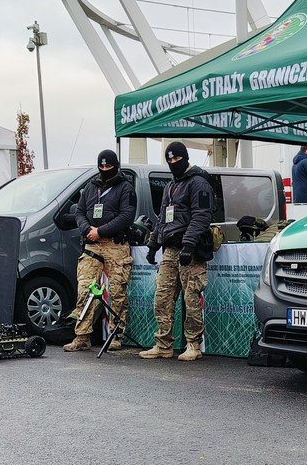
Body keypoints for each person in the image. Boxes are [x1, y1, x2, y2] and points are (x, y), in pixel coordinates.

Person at [139, 141, 213, 362]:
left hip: (191, 250)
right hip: (170, 250)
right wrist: (153, 245)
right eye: (169, 159)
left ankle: (193, 345)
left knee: (191, 298)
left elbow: (201, 216)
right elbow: (162, 219)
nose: (173, 162)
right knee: (162, 297)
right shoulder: (170, 186)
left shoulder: (199, 183)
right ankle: (163, 344)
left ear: (185, 158)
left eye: (177, 159)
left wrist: (188, 245)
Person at [63, 149, 136, 353]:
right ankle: (82, 336)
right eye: (101, 166)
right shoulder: (90, 186)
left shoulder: (125, 188)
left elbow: (127, 216)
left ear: (116, 166)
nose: (104, 169)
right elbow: (79, 212)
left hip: (115, 245)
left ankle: (116, 335)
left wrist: (101, 231)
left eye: (108, 166)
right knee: (85, 289)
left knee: (117, 291)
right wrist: (87, 229)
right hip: (91, 245)